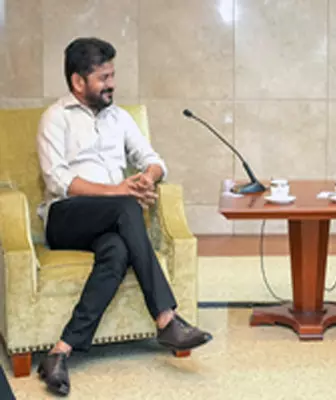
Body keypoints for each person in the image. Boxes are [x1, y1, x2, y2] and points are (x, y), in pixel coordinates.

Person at [36, 37, 212, 396]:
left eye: (112, 75)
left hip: (111, 219)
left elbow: (155, 159)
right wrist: (120, 191)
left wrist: (146, 178)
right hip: (66, 217)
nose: (111, 84)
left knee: (116, 252)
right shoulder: (56, 117)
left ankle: (60, 352)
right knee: (126, 206)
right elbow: (58, 180)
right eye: (103, 77)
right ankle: (165, 317)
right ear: (77, 81)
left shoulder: (120, 118)